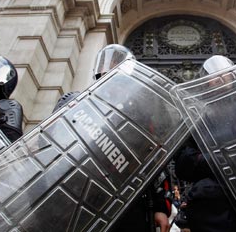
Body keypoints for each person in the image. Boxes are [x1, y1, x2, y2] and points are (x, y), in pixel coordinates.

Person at [54, 44, 172, 232]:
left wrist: (160, 208)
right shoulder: (75, 102)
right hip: (78, 192)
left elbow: (156, 162)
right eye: (109, 63)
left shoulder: (140, 116)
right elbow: (50, 143)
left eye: (119, 63)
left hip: (127, 199)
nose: (111, 68)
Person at [174, 55, 236, 232]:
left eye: (226, 73)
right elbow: (183, 162)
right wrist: (216, 159)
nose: (221, 77)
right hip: (214, 199)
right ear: (206, 81)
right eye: (214, 75)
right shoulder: (197, 117)